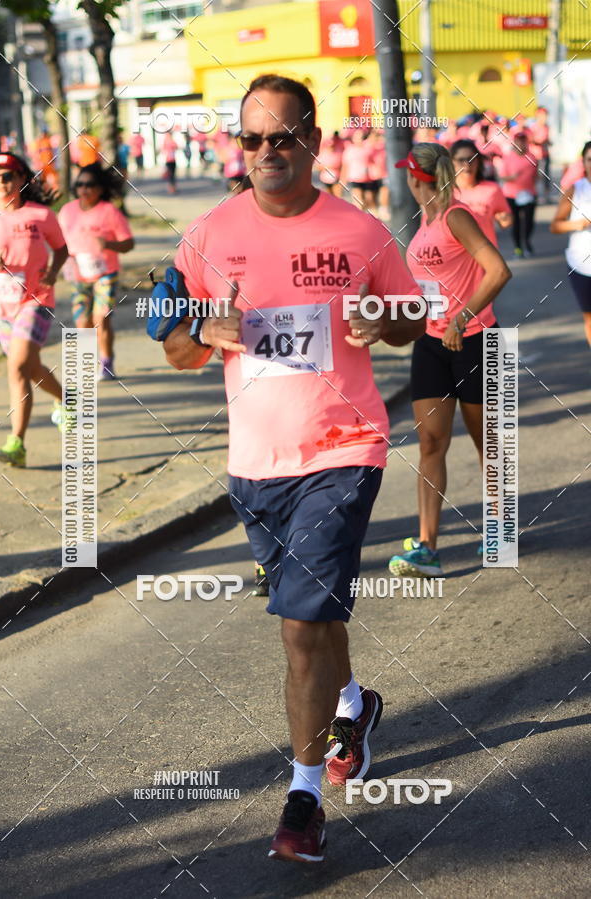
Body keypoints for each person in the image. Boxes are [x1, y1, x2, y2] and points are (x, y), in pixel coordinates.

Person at [163, 74, 424, 862]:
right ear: (237, 147)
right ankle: (356, 702)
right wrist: (210, 329)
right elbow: (174, 347)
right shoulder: (207, 235)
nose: (267, 151)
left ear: (312, 140)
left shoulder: (361, 232)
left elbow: (413, 318)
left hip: (343, 449)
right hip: (255, 465)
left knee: (301, 623)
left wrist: (387, 318)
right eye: (252, 139)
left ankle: (304, 796)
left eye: (282, 137)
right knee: (313, 618)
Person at [387, 143, 511, 577]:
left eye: (406, 174)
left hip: (476, 340)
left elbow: (498, 270)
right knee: (430, 444)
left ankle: (499, 532)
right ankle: (426, 547)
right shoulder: (425, 222)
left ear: (416, 178)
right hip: (432, 344)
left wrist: (462, 317)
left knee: (490, 445)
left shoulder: (457, 216)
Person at [0, 152, 69, 468]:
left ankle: (16, 443)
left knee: (17, 367)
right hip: (0, 305)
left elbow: (62, 249)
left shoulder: (41, 215)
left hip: (36, 300)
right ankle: (68, 401)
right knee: (28, 367)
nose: (0, 182)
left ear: (22, 179)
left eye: (7, 175)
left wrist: (52, 271)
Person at [58, 162, 134, 380]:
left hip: (105, 273)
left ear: (100, 188)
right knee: (82, 321)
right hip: (78, 274)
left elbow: (128, 243)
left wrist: (108, 245)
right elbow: (58, 242)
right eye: (80, 184)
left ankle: (107, 361)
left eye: (90, 185)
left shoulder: (109, 212)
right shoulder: (67, 211)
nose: (84, 189)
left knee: (101, 318)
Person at [550, 141, 591, 346]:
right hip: (581, 265)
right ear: (583, 162)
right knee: (590, 318)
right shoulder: (576, 190)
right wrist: (579, 224)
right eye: (590, 159)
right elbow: (555, 226)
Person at [451, 139, 512, 244]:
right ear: (452, 162)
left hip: (486, 256)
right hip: (456, 257)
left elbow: (505, 222)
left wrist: (505, 219)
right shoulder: (445, 192)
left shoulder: (492, 189)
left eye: (471, 159)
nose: (467, 164)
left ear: (478, 160)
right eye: (461, 160)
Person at [498, 132, 538, 258]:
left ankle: (526, 242)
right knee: (515, 222)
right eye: (518, 141)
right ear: (514, 143)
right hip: (511, 195)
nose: (520, 143)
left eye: (523, 141)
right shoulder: (508, 157)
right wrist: (512, 177)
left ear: (526, 142)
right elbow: (502, 177)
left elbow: (535, 175)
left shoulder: (532, 157)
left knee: (529, 222)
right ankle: (518, 248)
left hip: (528, 194)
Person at [341, 129, 377, 212]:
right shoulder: (349, 150)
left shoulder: (368, 148)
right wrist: (343, 180)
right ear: (353, 138)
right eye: (357, 137)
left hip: (368, 178)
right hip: (354, 179)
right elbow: (345, 166)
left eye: (361, 137)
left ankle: (370, 216)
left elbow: (374, 161)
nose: (359, 139)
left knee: (370, 199)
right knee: (359, 201)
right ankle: (360, 218)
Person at [529, 107, 551, 202]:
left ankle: (546, 196)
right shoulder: (533, 127)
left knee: (546, 177)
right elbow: (530, 139)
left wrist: (548, 142)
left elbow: (548, 139)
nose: (544, 118)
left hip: (545, 155)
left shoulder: (546, 127)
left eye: (545, 116)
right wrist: (540, 142)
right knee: (535, 176)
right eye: (542, 116)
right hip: (536, 155)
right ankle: (535, 196)